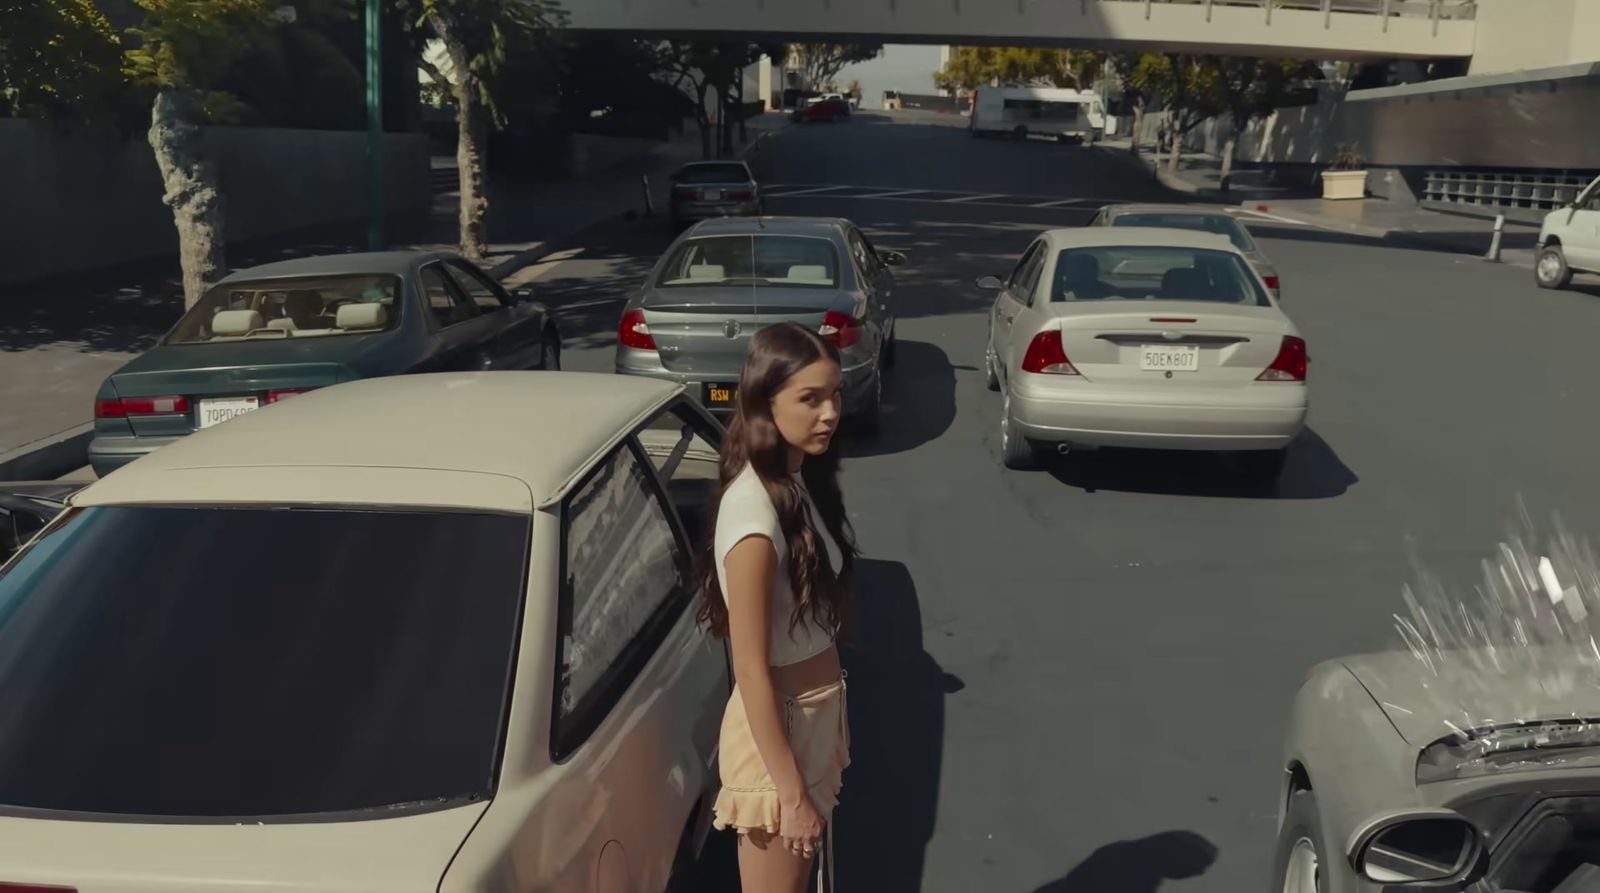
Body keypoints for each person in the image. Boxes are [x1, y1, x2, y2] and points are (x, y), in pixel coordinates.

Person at [698, 321, 860, 892]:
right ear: (765, 403)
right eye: (810, 399)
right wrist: (790, 796)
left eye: (835, 393)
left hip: (810, 721)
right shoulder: (753, 520)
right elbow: (749, 667)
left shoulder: (791, 481)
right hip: (780, 743)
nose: (830, 412)